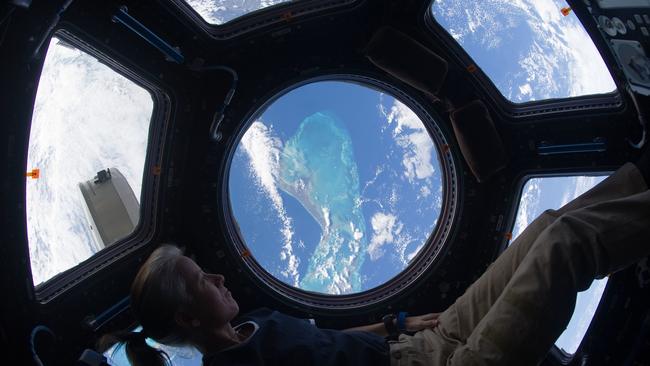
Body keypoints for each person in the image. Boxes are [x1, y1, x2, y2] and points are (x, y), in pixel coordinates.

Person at [98, 150, 650, 366]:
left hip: (422, 344)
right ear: (189, 319)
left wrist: (397, 321)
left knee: (546, 227)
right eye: (201, 281)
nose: (217, 275)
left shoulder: (255, 324)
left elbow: (330, 344)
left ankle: (641, 180)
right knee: (564, 247)